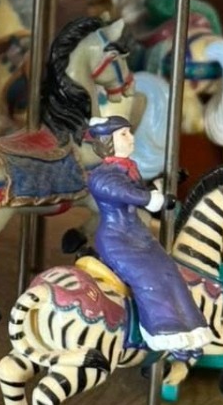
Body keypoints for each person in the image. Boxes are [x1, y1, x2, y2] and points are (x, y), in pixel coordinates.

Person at [83, 115, 210, 357]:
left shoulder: (129, 169)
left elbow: (140, 190)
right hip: (117, 239)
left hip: (139, 235)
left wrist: (160, 186)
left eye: (129, 132)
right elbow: (122, 192)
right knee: (149, 278)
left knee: (170, 272)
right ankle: (167, 331)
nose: (131, 138)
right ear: (108, 142)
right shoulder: (102, 175)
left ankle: (191, 331)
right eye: (124, 134)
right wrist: (151, 199)